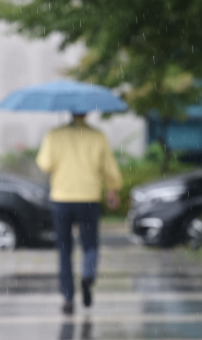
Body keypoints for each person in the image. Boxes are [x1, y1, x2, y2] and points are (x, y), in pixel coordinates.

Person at [36, 112, 122, 314]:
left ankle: (67, 297)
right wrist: (113, 188)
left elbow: (45, 165)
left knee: (64, 250)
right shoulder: (98, 135)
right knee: (90, 244)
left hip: (61, 198)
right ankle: (87, 274)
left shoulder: (54, 135)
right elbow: (110, 168)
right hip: (89, 198)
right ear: (87, 112)